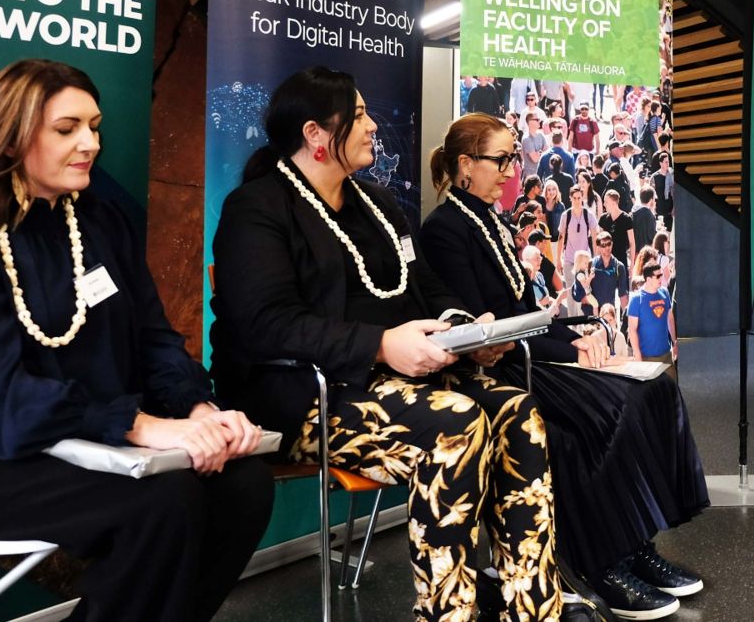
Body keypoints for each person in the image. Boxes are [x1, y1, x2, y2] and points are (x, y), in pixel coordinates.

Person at [0, 60, 273, 622]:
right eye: (67, 129)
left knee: (243, 484)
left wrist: (200, 411)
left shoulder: (102, 224)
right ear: (13, 135)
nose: (90, 143)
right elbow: (0, 407)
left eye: (94, 126)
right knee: (163, 503)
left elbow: (153, 340)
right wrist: (142, 426)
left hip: (92, 446)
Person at [208, 67, 568, 621]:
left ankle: (533, 607)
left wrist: (469, 330)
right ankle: (450, 613)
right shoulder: (257, 208)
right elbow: (266, 325)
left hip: (397, 382)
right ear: (315, 135)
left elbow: (425, 289)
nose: (373, 125)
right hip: (302, 395)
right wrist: (381, 346)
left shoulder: (377, 203)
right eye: (357, 116)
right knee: (454, 422)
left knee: (517, 409)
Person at [421, 114, 709, 621]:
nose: (512, 170)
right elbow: (486, 331)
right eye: (502, 159)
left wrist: (581, 332)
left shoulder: (493, 220)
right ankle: (600, 561)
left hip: (525, 355)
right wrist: (569, 348)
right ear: (465, 165)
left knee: (653, 391)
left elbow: (523, 315)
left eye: (512, 158)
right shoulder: (445, 228)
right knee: (602, 413)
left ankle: (637, 542)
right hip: (496, 371)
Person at [626, 248, 676, 368]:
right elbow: (632, 329)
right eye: (658, 276)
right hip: (646, 358)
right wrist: (637, 354)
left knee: (670, 386)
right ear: (648, 279)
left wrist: (675, 342)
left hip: (666, 355)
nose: (661, 278)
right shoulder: (636, 299)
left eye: (661, 275)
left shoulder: (664, 292)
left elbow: (670, 318)